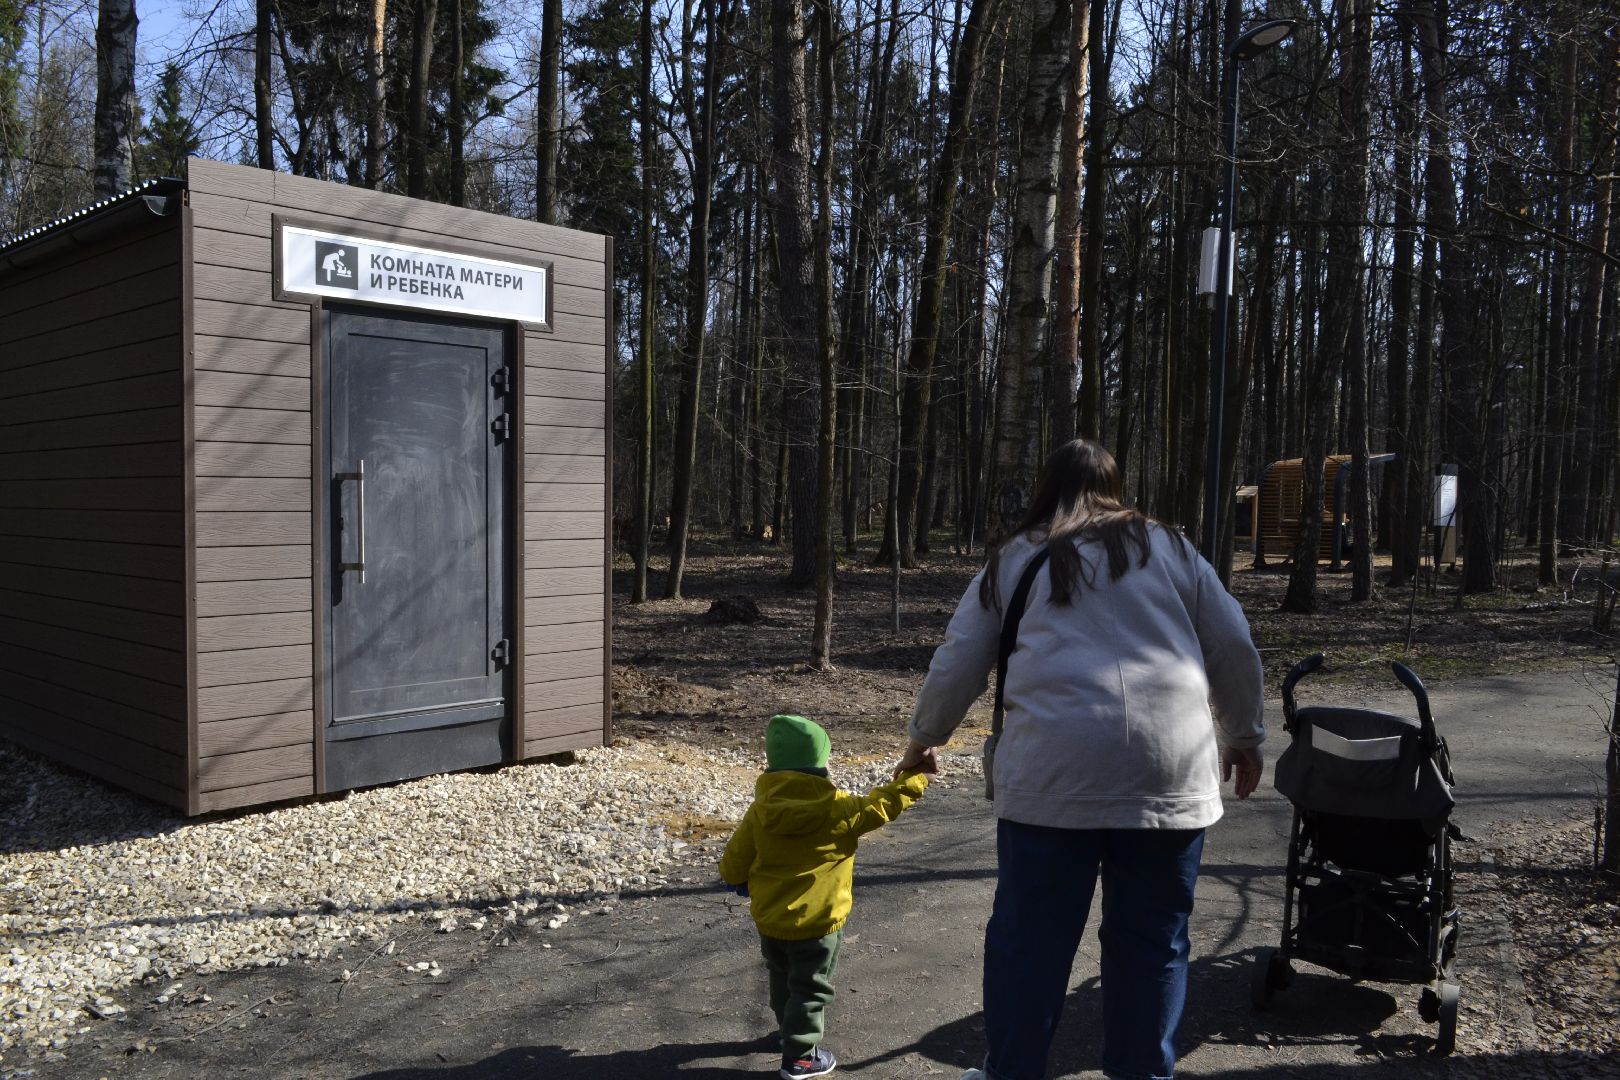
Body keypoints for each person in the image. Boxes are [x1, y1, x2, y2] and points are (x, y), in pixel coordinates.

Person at [895, 439, 1265, 1080]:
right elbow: (1232, 642)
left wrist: (925, 737)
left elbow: (959, 658)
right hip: (1168, 771)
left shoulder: (1016, 556)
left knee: (1028, 945)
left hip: (1052, 774)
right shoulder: (1172, 549)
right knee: (1153, 945)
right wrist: (1245, 735)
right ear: (1114, 488)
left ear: (1048, 486)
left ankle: (1011, 1072)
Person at [721, 713, 933, 1079]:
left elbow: (734, 860)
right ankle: (801, 1057)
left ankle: (788, 1031)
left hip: (771, 921)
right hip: (819, 925)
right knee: (810, 988)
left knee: (780, 976)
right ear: (819, 766)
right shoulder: (840, 809)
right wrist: (916, 779)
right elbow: (883, 804)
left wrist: (736, 879)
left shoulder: (761, 811)